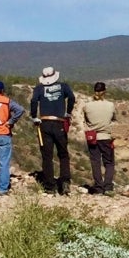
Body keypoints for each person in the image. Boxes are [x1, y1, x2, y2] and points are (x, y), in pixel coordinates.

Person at [29, 66, 76, 195]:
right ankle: (65, 182)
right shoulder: (63, 86)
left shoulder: (39, 88)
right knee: (63, 154)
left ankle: (50, 186)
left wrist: (34, 116)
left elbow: (33, 101)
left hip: (44, 123)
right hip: (59, 122)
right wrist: (68, 112)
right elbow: (71, 98)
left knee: (47, 155)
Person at [81, 81, 117, 195]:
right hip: (106, 136)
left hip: (93, 137)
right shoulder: (110, 105)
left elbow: (86, 120)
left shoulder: (87, 106)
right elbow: (113, 119)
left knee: (95, 162)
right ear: (105, 91)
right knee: (109, 163)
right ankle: (108, 186)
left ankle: (98, 187)